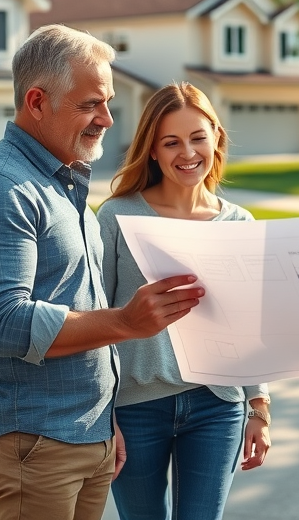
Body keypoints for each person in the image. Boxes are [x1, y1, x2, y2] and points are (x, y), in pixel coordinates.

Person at [0, 25, 204, 519]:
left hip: (86, 436)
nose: (107, 118)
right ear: (37, 101)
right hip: (35, 444)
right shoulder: (3, 190)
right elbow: (6, 322)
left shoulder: (63, 186)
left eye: (107, 103)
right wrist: (126, 322)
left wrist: (105, 422)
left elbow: (75, 306)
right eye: (90, 105)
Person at [97, 82, 272, 520]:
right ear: (151, 150)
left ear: (216, 137)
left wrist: (259, 406)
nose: (187, 152)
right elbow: (95, 318)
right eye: (171, 142)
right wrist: (103, 417)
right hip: (134, 409)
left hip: (217, 406)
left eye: (198, 137)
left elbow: (249, 325)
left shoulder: (240, 223)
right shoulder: (118, 215)